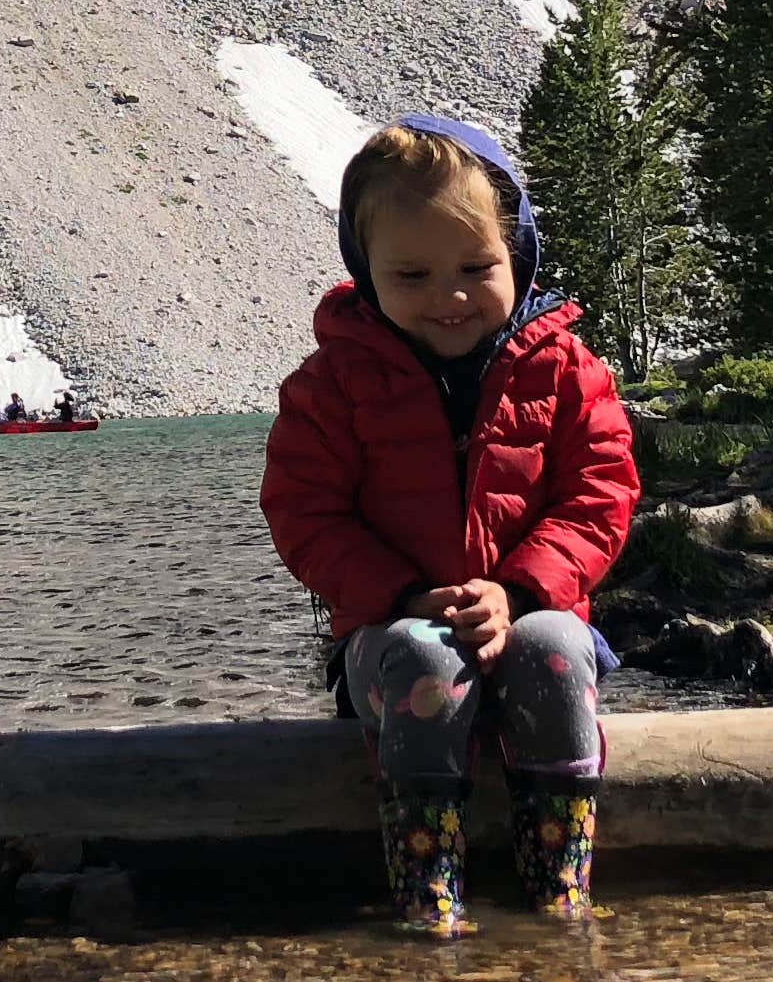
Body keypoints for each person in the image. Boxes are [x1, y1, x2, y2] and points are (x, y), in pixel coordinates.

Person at [260, 115, 642, 936]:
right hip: (392, 635)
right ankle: (428, 893)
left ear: (521, 255)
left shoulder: (567, 368)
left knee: (558, 645)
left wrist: (518, 589)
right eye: (413, 274)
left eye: (477, 267)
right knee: (419, 655)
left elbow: (600, 493)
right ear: (367, 274)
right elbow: (304, 514)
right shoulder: (331, 385)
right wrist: (401, 594)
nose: (450, 297)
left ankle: (560, 888)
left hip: (532, 614)